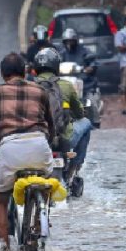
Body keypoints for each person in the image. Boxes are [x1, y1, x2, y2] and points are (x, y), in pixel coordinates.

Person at [0, 53, 56, 251]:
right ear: (26, 71)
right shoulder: (39, 91)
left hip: (10, 148)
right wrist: (49, 143)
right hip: (39, 144)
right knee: (46, 185)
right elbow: (51, 124)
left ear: (3, 74)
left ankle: (4, 250)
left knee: (0, 199)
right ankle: (39, 224)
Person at [33, 46, 87, 179]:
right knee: (86, 123)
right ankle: (75, 166)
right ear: (56, 66)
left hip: (35, 138)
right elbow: (79, 113)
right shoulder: (67, 85)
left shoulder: (28, 86)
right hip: (62, 139)